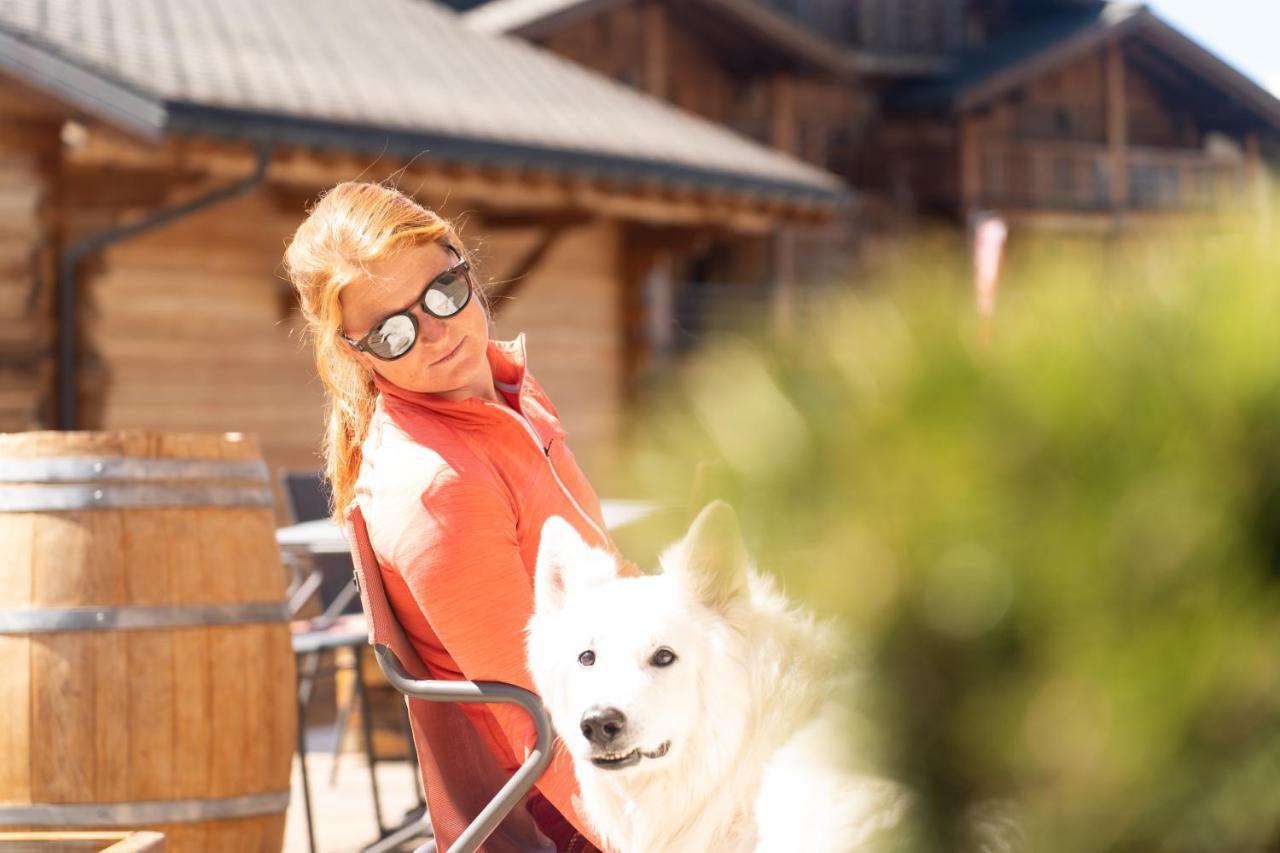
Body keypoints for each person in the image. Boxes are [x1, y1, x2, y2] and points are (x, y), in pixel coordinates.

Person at [284, 181, 633, 851]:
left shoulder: (504, 398)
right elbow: (535, 718)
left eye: (444, 292)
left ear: (463, 263)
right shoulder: (435, 485)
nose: (439, 332)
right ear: (355, 350)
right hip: (576, 806)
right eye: (392, 331)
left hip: (634, 722)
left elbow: (615, 579)